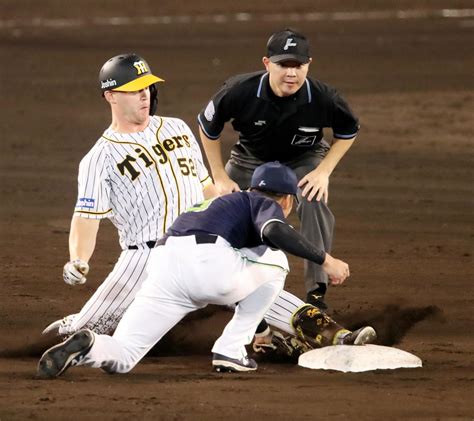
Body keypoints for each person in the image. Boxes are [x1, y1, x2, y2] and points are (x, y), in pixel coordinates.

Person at [37, 162, 365, 378]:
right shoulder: (264, 205)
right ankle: (231, 350)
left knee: (124, 356)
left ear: (252, 186)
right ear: (288, 201)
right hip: (208, 261)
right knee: (277, 260)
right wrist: (326, 260)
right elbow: (276, 232)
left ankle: (91, 345)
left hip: (164, 265)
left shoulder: (222, 203)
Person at [42, 53, 216, 337]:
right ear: (111, 96)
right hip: (144, 259)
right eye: (134, 90)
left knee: (257, 291)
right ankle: (84, 321)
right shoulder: (99, 157)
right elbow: (86, 217)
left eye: (146, 88)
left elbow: (207, 188)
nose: (144, 96)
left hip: (201, 247)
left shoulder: (177, 127)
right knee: (82, 334)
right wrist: (78, 259)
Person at [197, 29, 360, 309]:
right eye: (284, 64)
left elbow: (348, 132)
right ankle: (211, 284)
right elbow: (207, 128)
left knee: (313, 197)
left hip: (304, 158)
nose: (291, 73)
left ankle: (316, 294)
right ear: (267, 63)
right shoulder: (240, 91)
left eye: (298, 65)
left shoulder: (324, 97)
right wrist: (220, 177)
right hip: (250, 157)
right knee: (219, 205)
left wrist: (323, 172)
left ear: (308, 64)